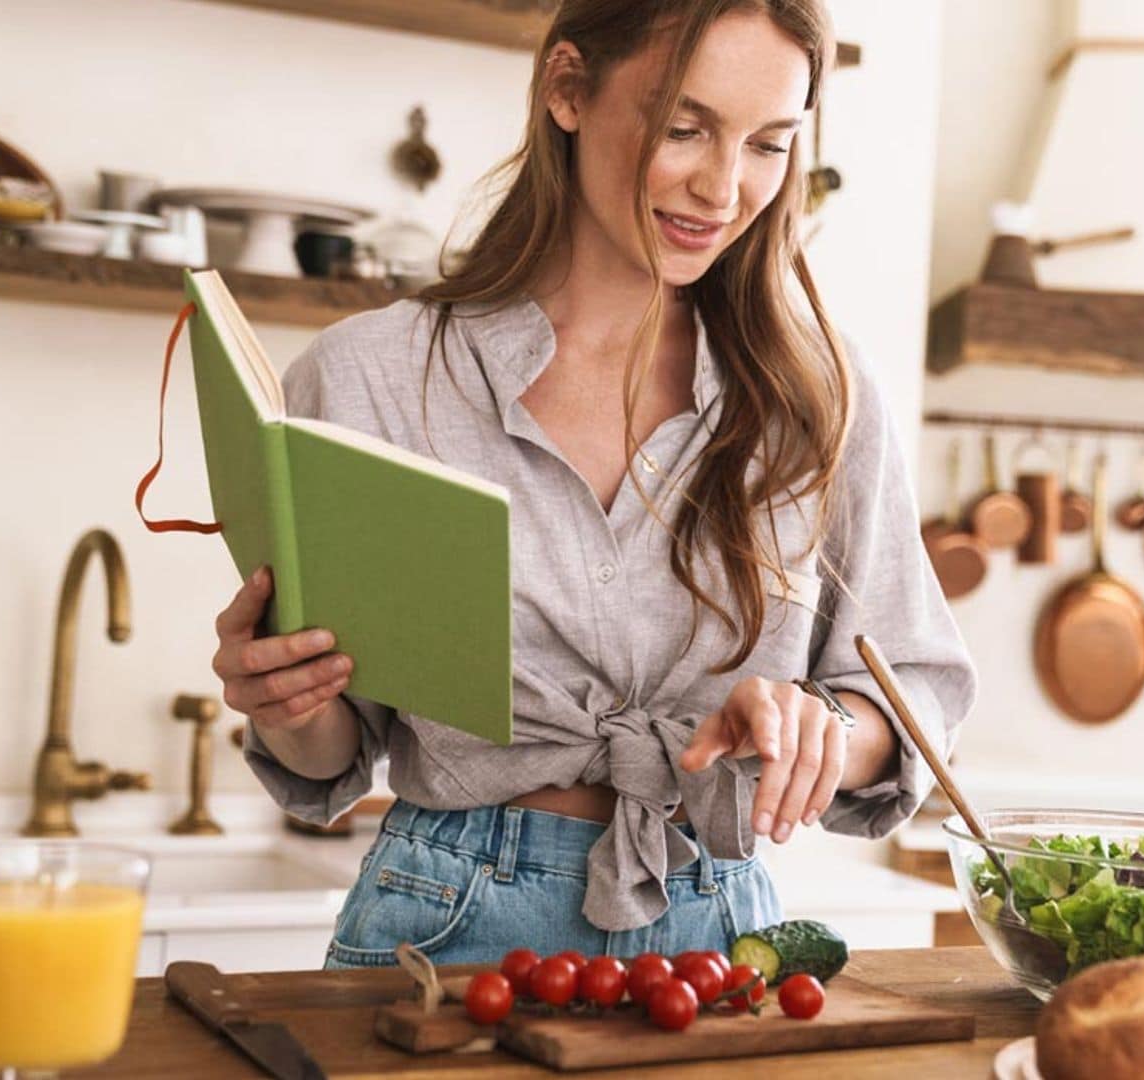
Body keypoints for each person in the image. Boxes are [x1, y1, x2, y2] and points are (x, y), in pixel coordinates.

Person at [211, 0, 975, 966]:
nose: (724, 187)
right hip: (440, 927)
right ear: (567, 89)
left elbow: (909, 692)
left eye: (769, 146)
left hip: (720, 935)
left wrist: (820, 729)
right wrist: (288, 700)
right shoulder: (369, 377)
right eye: (684, 129)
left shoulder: (819, 393)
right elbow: (334, 752)